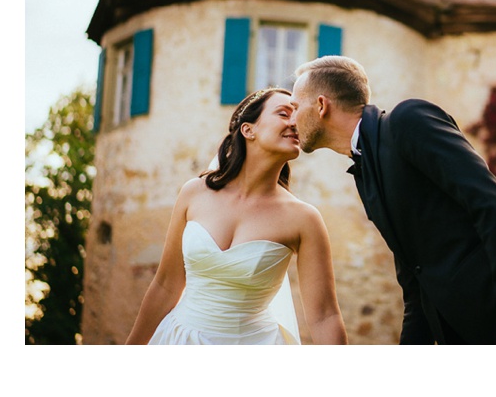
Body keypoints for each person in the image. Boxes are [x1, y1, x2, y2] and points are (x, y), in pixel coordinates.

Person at [290, 56, 496, 345]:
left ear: (321, 105)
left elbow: (492, 206)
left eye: (294, 106)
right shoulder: (365, 173)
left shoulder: (408, 120)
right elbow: (414, 280)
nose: (291, 118)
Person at [125, 88, 348, 345]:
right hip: (179, 340)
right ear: (248, 130)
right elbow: (165, 285)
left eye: (297, 115)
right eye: (284, 113)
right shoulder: (194, 193)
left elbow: (324, 316)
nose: (294, 122)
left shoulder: (304, 219)